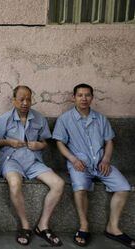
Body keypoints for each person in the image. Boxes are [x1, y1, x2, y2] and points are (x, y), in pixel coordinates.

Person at [53, 83, 134, 248]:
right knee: (80, 188)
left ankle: (113, 227)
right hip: (79, 164)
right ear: (73, 97)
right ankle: (84, 226)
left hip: (100, 163)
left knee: (124, 187)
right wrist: (73, 159)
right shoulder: (65, 119)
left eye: (87, 95)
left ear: (92, 98)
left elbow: (109, 141)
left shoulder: (100, 118)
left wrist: (106, 159)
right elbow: (59, 143)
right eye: (80, 95)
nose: (84, 98)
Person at [0, 85, 64, 247]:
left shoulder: (39, 118)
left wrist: (40, 145)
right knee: (15, 183)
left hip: (33, 160)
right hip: (11, 159)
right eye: (21, 99)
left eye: (28, 99)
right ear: (14, 101)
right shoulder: (5, 118)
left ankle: (43, 226)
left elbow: (45, 142)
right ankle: (25, 225)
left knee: (58, 184)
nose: (25, 103)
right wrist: (7, 141)